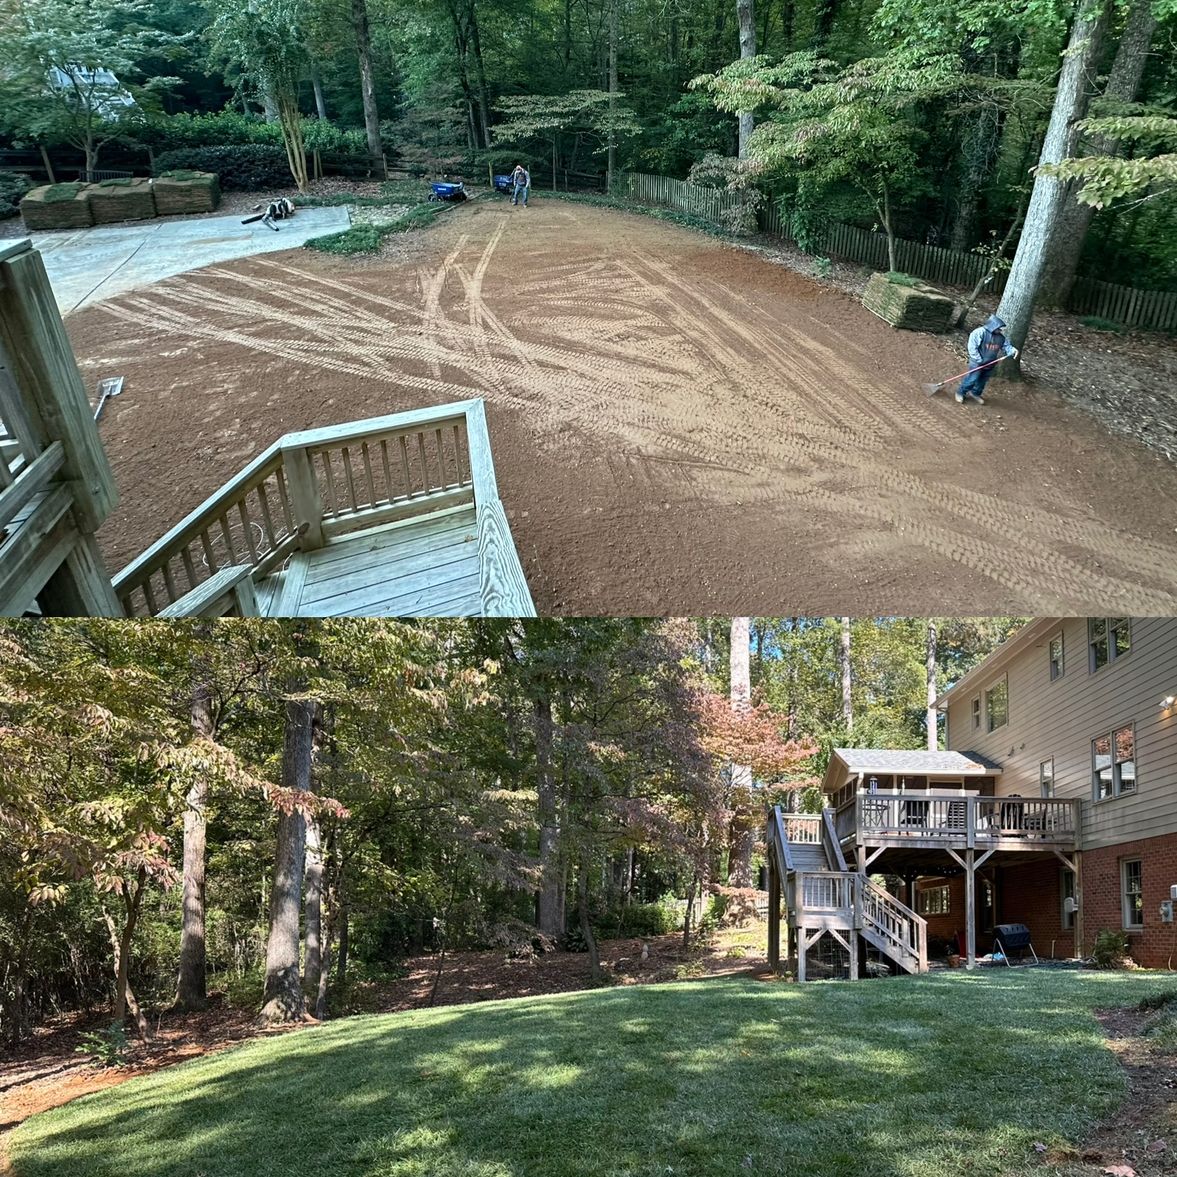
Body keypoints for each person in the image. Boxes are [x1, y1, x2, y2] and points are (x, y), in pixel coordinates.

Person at [957, 314, 1018, 405]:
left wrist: (1013, 350)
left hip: (990, 363)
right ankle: (960, 392)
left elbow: (1007, 346)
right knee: (972, 379)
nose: (1000, 330)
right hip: (977, 362)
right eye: (999, 328)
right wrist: (979, 360)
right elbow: (972, 347)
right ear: (993, 326)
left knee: (982, 381)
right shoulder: (979, 332)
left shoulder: (1000, 338)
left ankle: (975, 393)